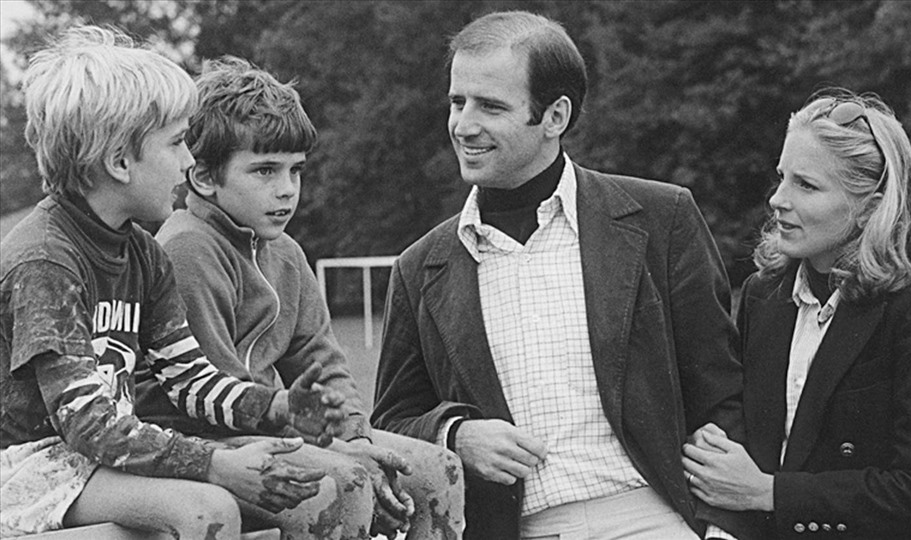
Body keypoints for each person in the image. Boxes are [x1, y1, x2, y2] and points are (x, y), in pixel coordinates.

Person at [372, 10, 754, 540]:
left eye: (490, 106)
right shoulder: (420, 267)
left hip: (655, 518)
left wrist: (724, 532)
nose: (463, 125)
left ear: (554, 116)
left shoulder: (662, 218)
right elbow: (388, 425)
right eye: (457, 102)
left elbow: (722, 393)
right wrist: (454, 435)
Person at [0, 26, 352, 538]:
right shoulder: (46, 262)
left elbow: (188, 380)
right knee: (205, 509)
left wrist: (275, 407)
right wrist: (211, 462)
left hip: (95, 458)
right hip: (30, 467)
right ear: (119, 161)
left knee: (298, 494)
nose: (190, 162)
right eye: (176, 142)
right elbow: (88, 422)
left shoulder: (143, 253)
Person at [150, 55, 464, 539]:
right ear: (205, 176)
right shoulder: (187, 247)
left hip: (278, 427)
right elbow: (215, 394)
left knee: (437, 470)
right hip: (207, 438)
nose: (287, 191)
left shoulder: (287, 252)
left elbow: (322, 360)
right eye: (265, 171)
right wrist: (337, 451)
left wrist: (355, 434)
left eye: (295, 171)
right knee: (344, 483)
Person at [682, 90, 911, 539]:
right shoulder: (762, 295)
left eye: (805, 185)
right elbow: (748, 448)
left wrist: (769, 493)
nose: (777, 199)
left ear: (872, 205)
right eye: (782, 177)